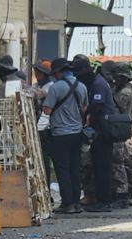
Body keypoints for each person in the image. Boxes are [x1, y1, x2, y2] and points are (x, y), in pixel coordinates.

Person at [42, 57, 88, 214]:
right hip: (77, 132)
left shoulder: (55, 88)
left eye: (55, 73)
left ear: (60, 72)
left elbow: (47, 110)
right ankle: (76, 202)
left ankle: (67, 203)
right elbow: (84, 108)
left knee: (62, 169)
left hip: (60, 133)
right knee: (75, 167)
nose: (54, 76)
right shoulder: (82, 86)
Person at [73, 56, 116, 212]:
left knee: (102, 166)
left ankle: (104, 201)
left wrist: (86, 111)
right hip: (99, 128)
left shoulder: (98, 84)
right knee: (99, 166)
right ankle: (102, 199)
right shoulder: (95, 82)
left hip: (103, 130)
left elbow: (97, 106)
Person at [104, 61, 132, 207]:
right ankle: (119, 192)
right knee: (117, 163)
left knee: (129, 164)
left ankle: (129, 194)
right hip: (115, 131)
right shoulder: (111, 89)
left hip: (130, 131)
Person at [32, 60, 54, 191]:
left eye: (38, 71)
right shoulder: (37, 85)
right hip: (37, 126)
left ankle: (46, 188)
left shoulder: (50, 87)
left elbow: (37, 94)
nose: (36, 73)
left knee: (45, 158)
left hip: (46, 127)